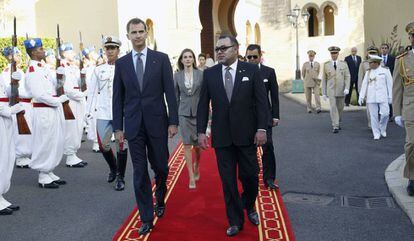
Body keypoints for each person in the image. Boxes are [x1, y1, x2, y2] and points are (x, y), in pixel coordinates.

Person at [112, 18, 178, 235]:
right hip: (133, 125)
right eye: (134, 32)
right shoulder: (121, 64)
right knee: (139, 172)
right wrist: (118, 127)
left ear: (146, 33)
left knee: (161, 166)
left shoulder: (160, 59)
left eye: (141, 31)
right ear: (128, 35)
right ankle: (146, 217)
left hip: (157, 122)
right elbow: (117, 98)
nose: (138, 35)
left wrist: (173, 121)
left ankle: (160, 193)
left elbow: (170, 92)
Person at [197, 35, 268, 236]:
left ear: (236, 49)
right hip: (222, 137)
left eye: (224, 48)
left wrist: (262, 128)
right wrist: (201, 131)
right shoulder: (210, 74)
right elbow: (203, 104)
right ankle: (235, 220)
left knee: (250, 177)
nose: (219, 51)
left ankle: (249, 205)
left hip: (247, 136)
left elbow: (262, 102)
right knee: (228, 182)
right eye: (217, 48)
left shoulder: (251, 70)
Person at [25, 38, 68, 188]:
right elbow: (39, 94)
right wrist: (58, 101)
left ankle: (49, 170)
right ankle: (43, 174)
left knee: (54, 140)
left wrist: (61, 75)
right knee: (44, 141)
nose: (43, 50)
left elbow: (56, 85)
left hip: (51, 109)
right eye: (40, 49)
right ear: (33, 52)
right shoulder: (33, 70)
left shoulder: (42, 67)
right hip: (43, 109)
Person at [86, 36, 128, 191]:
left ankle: (120, 177)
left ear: (118, 50)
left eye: (113, 48)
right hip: (103, 111)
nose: (110, 51)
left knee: (121, 145)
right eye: (108, 48)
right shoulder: (98, 70)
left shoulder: (125, 68)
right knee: (104, 145)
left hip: (121, 112)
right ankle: (113, 167)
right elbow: (91, 92)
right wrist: (88, 112)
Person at [246, 44, 279, 190]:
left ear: (260, 57)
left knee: (268, 148)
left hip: (265, 116)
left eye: (255, 56)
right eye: (249, 57)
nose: (252, 59)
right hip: (247, 117)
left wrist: (276, 115)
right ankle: (252, 176)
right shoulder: (241, 71)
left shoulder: (269, 72)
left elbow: (275, 96)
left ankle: (269, 178)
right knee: (249, 149)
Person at [174, 48, 203, 189]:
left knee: (197, 146)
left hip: (199, 113)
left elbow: (205, 96)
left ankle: (197, 165)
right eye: (185, 57)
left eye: (190, 56)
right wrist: (174, 118)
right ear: (181, 60)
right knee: (186, 145)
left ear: (193, 59)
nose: (187, 59)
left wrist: (207, 114)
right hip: (183, 113)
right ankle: (191, 177)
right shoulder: (177, 76)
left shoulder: (201, 74)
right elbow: (175, 97)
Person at [1, 47, 32, 168]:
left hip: (25, 104)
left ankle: (23, 154)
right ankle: (20, 156)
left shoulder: (20, 71)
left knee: (26, 131)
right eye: (16, 54)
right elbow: (9, 93)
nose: (19, 57)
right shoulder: (5, 72)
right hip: (18, 103)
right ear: (9, 57)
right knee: (19, 132)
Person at [393, 21, 414, 196]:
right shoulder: (402, 60)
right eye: (413, 36)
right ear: (410, 38)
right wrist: (397, 113)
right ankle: (412, 178)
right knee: (411, 144)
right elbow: (397, 88)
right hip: (410, 108)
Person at [0, 64, 23, 215]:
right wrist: (11, 110)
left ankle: (0, 195)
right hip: (2, 116)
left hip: (5, 120)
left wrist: (14, 84)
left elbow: (5, 95)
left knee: (6, 157)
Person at [60, 43, 88, 167]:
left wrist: (82, 74)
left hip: (78, 101)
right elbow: (67, 89)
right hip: (71, 101)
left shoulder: (72, 67)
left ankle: (74, 154)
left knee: (78, 127)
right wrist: (81, 95)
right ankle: (70, 155)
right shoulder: (62, 67)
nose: (73, 54)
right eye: (70, 52)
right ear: (64, 54)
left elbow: (79, 84)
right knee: (71, 129)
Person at [358, 55, 392, 139]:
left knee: (385, 114)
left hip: (383, 96)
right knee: (373, 116)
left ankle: (382, 128)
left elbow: (390, 85)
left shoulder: (385, 71)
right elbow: (364, 84)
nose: (369, 64)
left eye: (371, 63)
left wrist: (390, 96)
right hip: (371, 97)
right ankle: (376, 133)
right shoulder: (368, 72)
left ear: (377, 63)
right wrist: (361, 96)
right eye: (369, 62)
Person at [322, 46, 350, 133]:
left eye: (335, 53)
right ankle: (335, 125)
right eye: (332, 53)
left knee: (340, 107)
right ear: (330, 54)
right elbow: (324, 79)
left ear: (338, 54)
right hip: (331, 90)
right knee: (333, 107)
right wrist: (324, 92)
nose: (334, 55)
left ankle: (338, 120)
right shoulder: (326, 65)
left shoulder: (343, 64)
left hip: (341, 90)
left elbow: (347, 76)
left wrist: (347, 88)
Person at [358, 46, 379, 129]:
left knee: (379, 109)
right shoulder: (363, 64)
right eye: (371, 53)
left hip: (379, 89)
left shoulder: (381, 63)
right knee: (370, 109)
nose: (372, 54)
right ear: (368, 53)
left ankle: (377, 123)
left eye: (374, 53)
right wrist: (360, 91)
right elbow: (360, 77)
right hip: (368, 90)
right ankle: (372, 124)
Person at [380, 43, 396, 121]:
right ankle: (381, 113)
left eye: (385, 48)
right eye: (382, 48)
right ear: (380, 49)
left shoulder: (392, 58)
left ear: (388, 49)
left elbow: (395, 69)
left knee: (390, 96)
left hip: (390, 80)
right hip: (381, 81)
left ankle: (390, 115)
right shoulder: (378, 59)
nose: (384, 49)